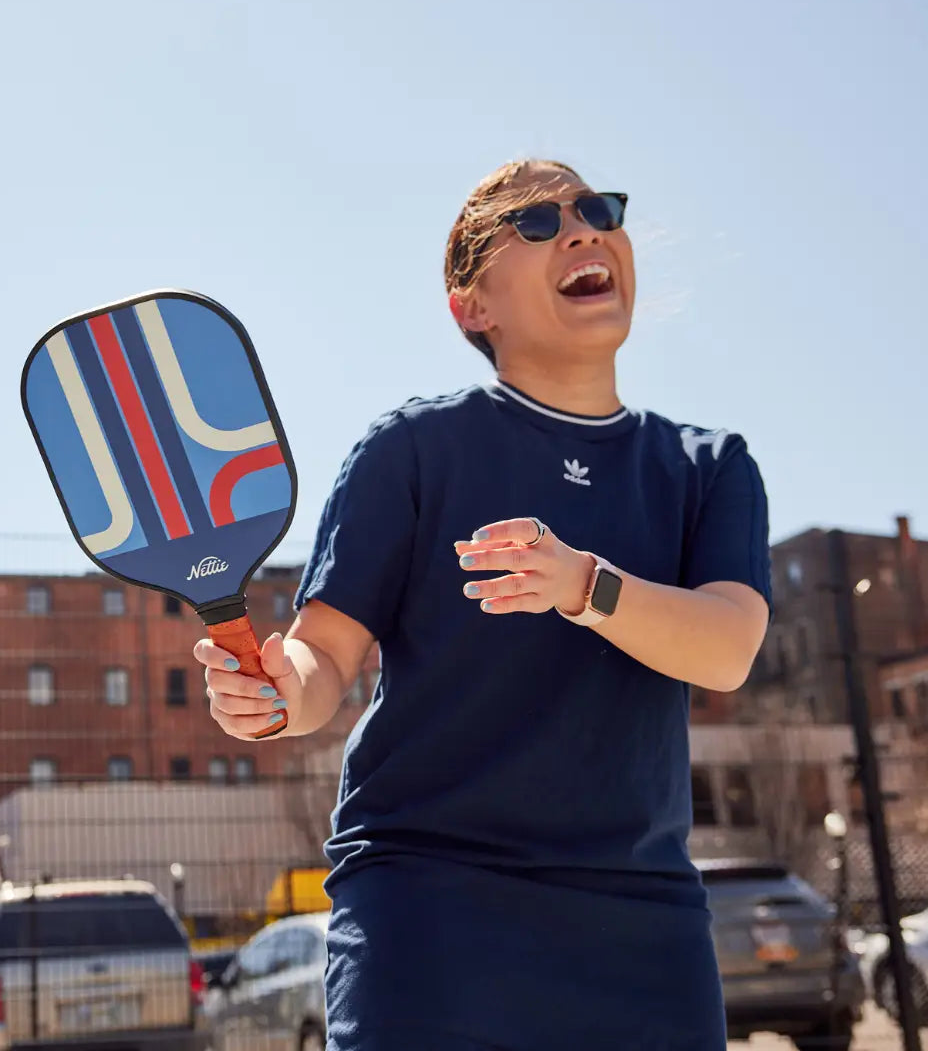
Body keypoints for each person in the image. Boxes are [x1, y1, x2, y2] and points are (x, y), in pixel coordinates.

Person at [194, 159, 772, 1050]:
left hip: (642, 921)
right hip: (429, 906)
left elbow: (728, 647)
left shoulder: (708, 466)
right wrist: (271, 697)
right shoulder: (412, 450)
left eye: (595, 209)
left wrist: (586, 586)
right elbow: (322, 660)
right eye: (536, 224)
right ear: (473, 307)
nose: (581, 230)